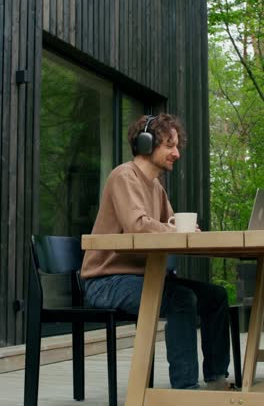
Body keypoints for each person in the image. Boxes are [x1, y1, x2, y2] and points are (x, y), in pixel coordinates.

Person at [81, 113, 231, 390]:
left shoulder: (157, 188)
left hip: (144, 277)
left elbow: (170, 226)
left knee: (215, 296)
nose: (176, 153)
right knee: (181, 299)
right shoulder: (123, 176)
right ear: (147, 143)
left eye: (177, 146)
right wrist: (172, 229)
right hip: (106, 282)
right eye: (169, 145)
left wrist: (181, 228)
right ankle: (185, 390)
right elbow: (138, 226)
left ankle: (217, 379)